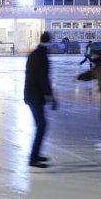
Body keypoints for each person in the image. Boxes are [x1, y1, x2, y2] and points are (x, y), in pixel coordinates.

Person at [24, 32, 58, 168]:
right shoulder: (41, 56)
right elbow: (43, 78)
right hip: (35, 96)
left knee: (41, 126)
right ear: (49, 41)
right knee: (41, 126)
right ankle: (33, 158)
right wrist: (51, 97)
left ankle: (35, 155)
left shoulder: (35, 53)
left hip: (32, 95)